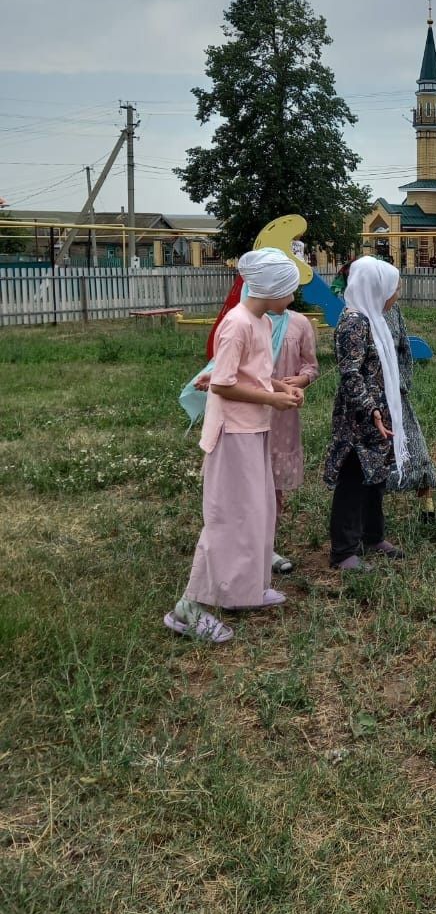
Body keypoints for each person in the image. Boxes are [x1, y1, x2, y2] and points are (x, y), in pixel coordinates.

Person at [164, 248, 304, 644]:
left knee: (258, 510)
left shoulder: (260, 321)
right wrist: (273, 399)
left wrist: (281, 387)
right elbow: (223, 383)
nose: (293, 299)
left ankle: (242, 590)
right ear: (272, 289)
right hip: (233, 433)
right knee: (228, 517)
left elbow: (253, 374)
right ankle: (187, 608)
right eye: (289, 291)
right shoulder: (237, 324)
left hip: (253, 429)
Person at [324, 256, 408, 571]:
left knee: (375, 476)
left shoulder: (372, 319)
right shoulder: (353, 322)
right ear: (376, 288)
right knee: (353, 478)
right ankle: (344, 551)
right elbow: (351, 374)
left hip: (378, 415)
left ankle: (373, 536)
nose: (397, 293)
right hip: (358, 418)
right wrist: (371, 409)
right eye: (394, 288)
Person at [268, 306, 319, 572]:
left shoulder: (299, 323)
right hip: (248, 410)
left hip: (283, 415)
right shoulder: (246, 321)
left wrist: (300, 380)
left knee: (273, 483)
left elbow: (311, 366)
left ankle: (267, 546)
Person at [385, 302, 436, 520]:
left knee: (414, 447)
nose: (395, 293)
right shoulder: (355, 315)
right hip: (368, 399)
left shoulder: (393, 309)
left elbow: (404, 348)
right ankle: (367, 510)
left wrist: (401, 384)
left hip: (396, 395)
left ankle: (426, 503)